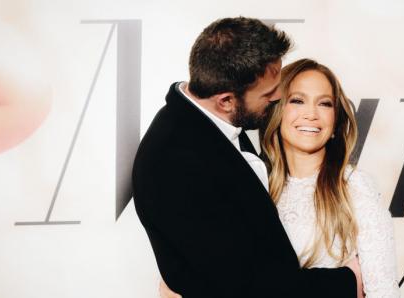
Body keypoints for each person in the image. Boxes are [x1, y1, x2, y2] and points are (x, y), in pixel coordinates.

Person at [132, 17, 363, 298]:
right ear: (226, 100)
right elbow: (248, 287)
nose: (279, 96)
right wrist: (349, 283)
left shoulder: (204, 118)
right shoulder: (175, 164)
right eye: (268, 93)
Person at [261, 58, 401, 297]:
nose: (311, 114)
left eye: (324, 104)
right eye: (297, 100)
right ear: (276, 110)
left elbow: (383, 290)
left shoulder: (353, 186)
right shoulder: (256, 184)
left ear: (335, 121)